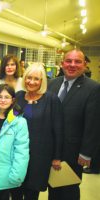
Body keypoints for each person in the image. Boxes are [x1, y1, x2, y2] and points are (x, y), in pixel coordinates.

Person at [48, 49, 100, 200]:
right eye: (68, 61)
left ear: (84, 65)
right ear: (61, 63)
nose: (72, 65)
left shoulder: (93, 88)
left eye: (77, 61)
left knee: (69, 188)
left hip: (73, 151)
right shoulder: (52, 84)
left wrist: (86, 152)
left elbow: (93, 124)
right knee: (53, 186)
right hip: (51, 149)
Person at [13, 63, 63, 200]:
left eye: (36, 79)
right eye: (29, 78)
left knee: (32, 193)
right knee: (16, 190)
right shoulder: (18, 96)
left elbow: (58, 129)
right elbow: (10, 122)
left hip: (39, 157)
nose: (31, 82)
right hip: (17, 154)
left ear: (42, 81)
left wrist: (57, 157)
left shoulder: (51, 99)